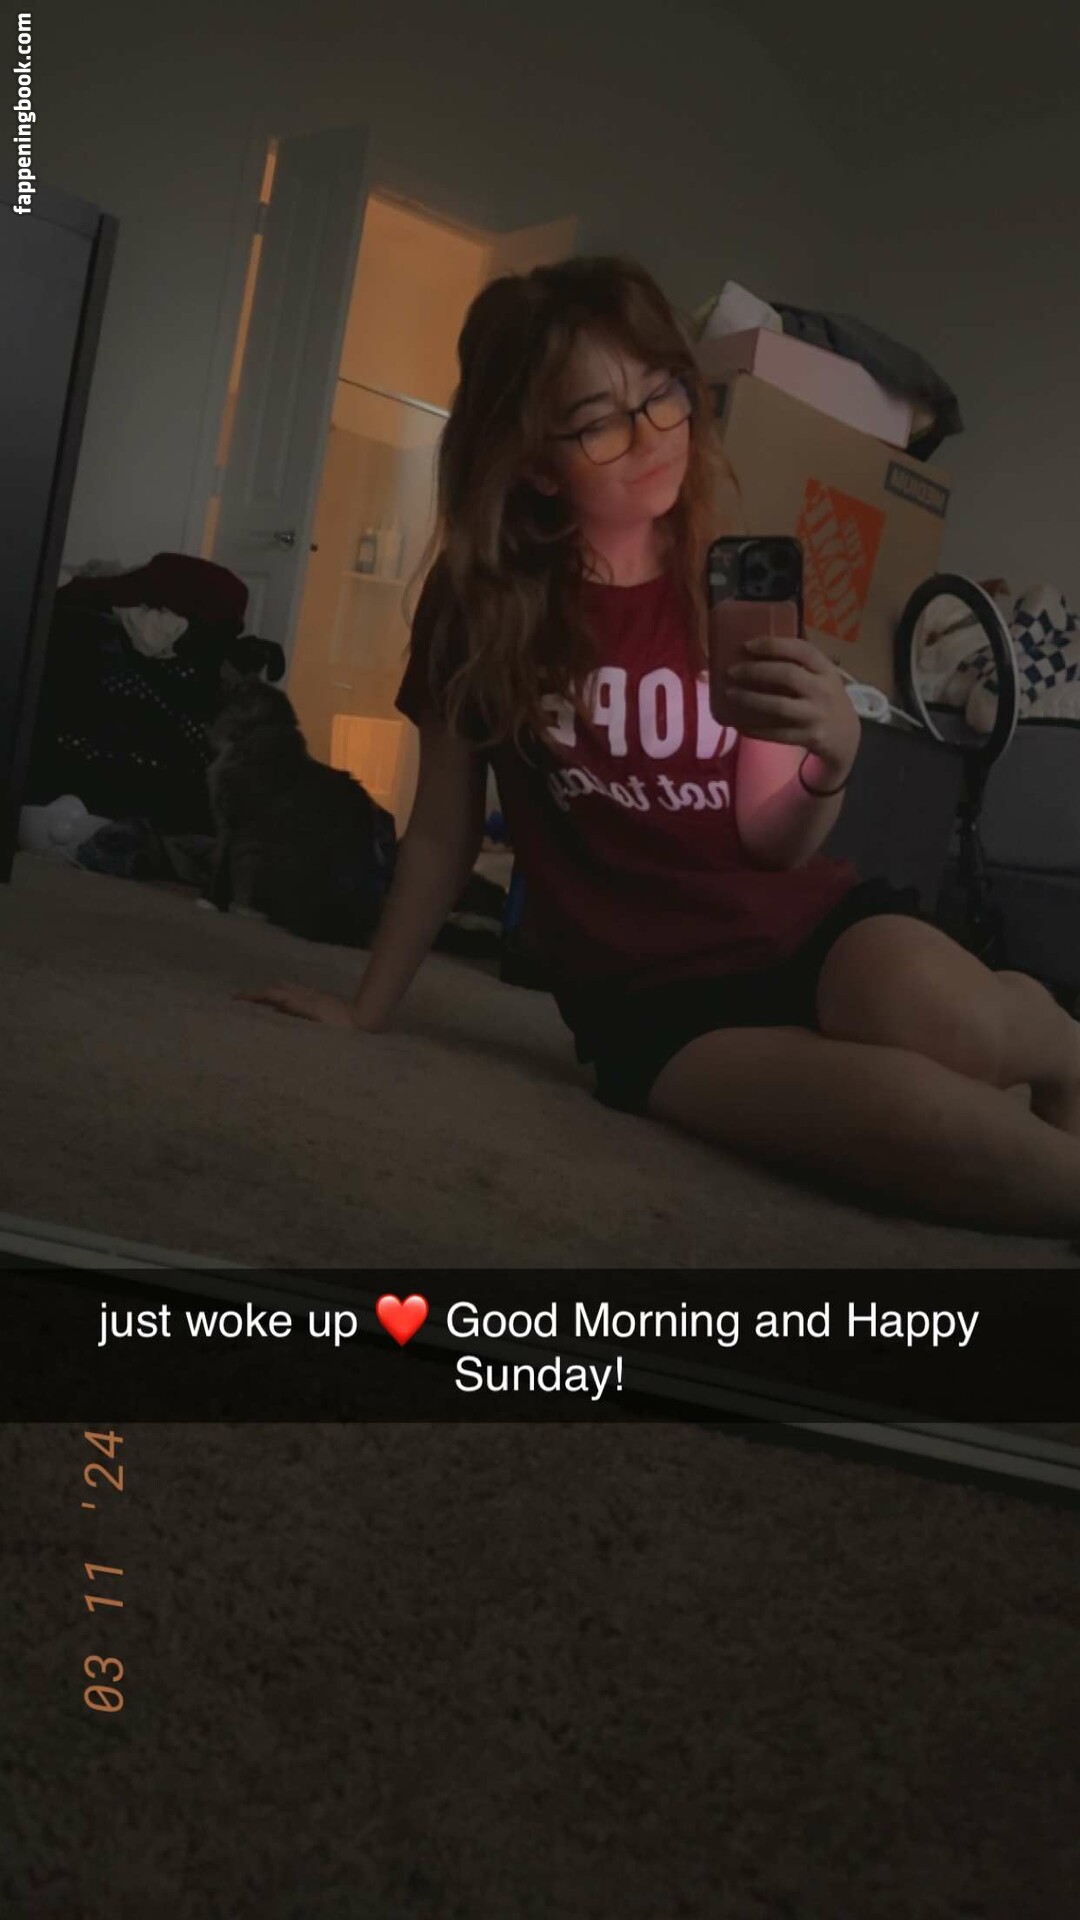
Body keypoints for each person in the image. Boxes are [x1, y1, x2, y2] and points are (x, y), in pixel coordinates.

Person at [242, 254, 1080, 1239]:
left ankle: (1064, 1044)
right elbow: (440, 832)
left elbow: (775, 841)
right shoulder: (481, 611)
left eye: (664, 395)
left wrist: (832, 760)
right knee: (929, 1126)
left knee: (958, 1027)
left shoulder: (728, 581)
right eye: (600, 421)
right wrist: (368, 1007)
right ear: (535, 460)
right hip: (658, 1006)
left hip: (806, 924)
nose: (650, 436)